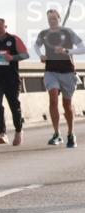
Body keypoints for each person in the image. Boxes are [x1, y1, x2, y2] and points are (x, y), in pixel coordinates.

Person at [34, 8, 84, 147]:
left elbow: (83, 47)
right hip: (51, 71)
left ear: (59, 19)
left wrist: (67, 51)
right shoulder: (43, 33)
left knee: (67, 105)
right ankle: (56, 134)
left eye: (54, 19)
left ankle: (70, 134)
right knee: (53, 98)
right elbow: (36, 46)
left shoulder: (68, 32)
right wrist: (40, 56)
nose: (52, 21)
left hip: (68, 72)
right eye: (49, 19)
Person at [0, 18, 29, 145]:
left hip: (12, 78)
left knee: (14, 106)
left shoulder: (14, 39)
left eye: (0, 27)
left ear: (5, 27)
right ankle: (2, 134)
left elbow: (26, 55)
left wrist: (12, 57)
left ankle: (19, 131)